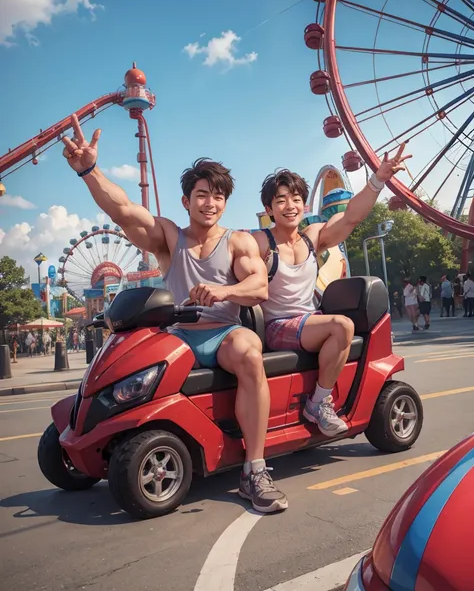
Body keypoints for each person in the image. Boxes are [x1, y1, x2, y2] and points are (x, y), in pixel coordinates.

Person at [61, 114, 287, 514]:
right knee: (125, 364)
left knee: (250, 350)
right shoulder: (170, 236)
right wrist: (90, 171)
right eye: (202, 194)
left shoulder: (237, 241)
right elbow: (125, 211)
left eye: (218, 196)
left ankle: (254, 469)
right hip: (176, 336)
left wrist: (223, 291)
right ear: (187, 201)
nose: (210, 203)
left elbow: (258, 289)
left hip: (222, 334)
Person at [252, 144, 411, 433]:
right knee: (342, 326)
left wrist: (379, 180)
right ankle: (317, 405)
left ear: (304, 205)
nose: (290, 206)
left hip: (308, 321)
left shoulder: (312, 237)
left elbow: (351, 216)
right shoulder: (261, 242)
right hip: (276, 326)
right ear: (269, 209)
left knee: (345, 326)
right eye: (281, 201)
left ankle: (325, 398)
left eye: (296, 199)